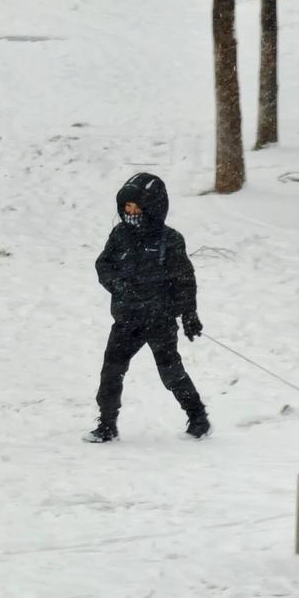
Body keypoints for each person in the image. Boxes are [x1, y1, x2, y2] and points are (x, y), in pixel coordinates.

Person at [84, 173, 210, 442]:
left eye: (137, 208)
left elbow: (185, 279)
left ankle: (198, 416)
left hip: (160, 321)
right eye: (126, 207)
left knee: (171, 373)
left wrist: (189, 313)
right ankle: (107, 424)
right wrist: (119, 287)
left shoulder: (170, 240)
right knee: (111, 372)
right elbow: (103, 265)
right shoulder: (119, 234)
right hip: (126, 321)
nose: (131, 213)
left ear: (153, 208)